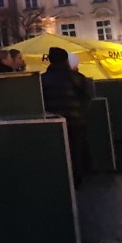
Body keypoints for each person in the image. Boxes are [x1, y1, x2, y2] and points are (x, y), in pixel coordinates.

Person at [40, 47, 93, 185]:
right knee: (76, 151)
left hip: (53, 122)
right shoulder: (77, 77)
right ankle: (77, 180)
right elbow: (87, 97)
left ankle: (61, 181)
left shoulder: (42, 79)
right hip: (76, 121)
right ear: (66, 60)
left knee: (58, 152)